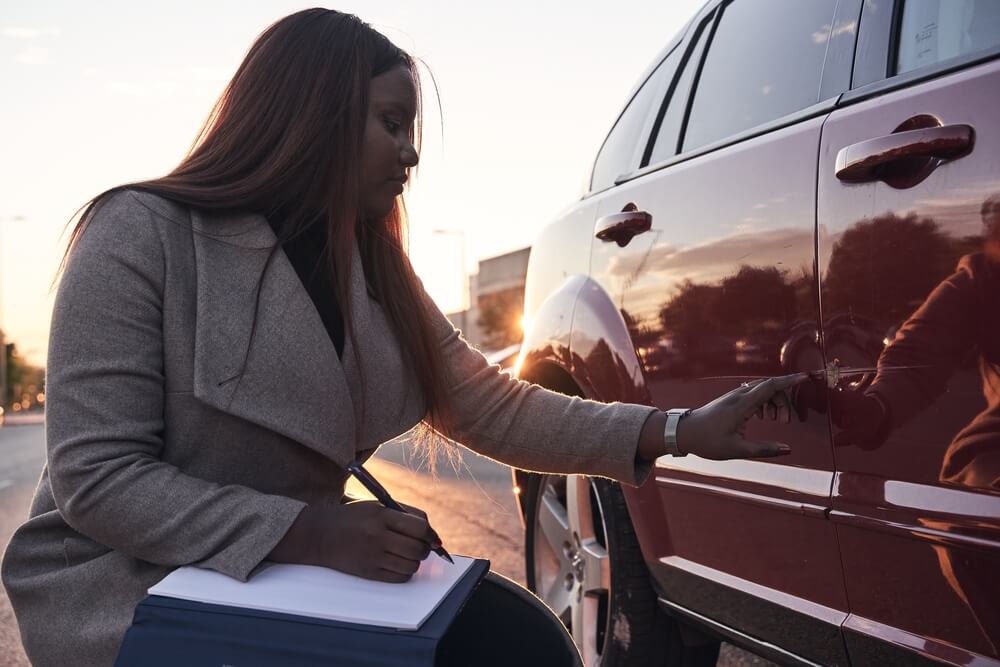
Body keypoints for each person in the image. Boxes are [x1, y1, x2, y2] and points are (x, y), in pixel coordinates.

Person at [0, 9, 802, 666]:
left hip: (293, 583)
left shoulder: (371, 265)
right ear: (310, 118)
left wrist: (677, 429)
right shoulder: (140, 232)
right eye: (391, 123)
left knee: (521, 640)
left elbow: (492, 406)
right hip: (130, 587)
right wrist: (309, 531)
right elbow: (98, 478)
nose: (411, 152)